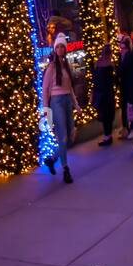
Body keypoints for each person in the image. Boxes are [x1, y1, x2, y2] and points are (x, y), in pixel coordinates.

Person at [41, 33, 80, 183]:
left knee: (70, 136)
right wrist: (46, 109)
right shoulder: (51, 67)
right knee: (62, 136)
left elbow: (70, 88)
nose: (61, 49)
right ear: (55, 49)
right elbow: (45, 89)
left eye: (63, 47)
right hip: (56, 102)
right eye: (58, 47)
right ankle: (65, 169)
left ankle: (52, 159)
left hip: (67, 101)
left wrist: (76, 104)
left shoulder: (66, 66)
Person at [92, 45, 117, 147]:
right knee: (109, 116)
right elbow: (113, 81)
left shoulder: (98, 64)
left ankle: (107, 136)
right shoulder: (111, 65)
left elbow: (95, 80)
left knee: (105, 116)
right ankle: (108, 135)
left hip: (101, 95)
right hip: (108, 94)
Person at [117, 34, 133, 140]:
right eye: (121, 47)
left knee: (130, 108)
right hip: (123, 86)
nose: (121, 49)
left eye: (123, 47)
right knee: (124, 108)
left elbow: (124, 71)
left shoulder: (129, 57)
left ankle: (131, 128)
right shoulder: (121, 56)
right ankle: (125, 128)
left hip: (129, 86)